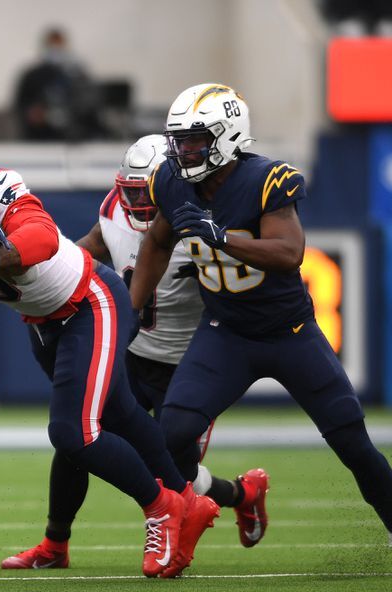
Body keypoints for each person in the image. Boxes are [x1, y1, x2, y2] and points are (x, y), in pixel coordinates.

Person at [129, 83, 392, 547]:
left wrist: (222, 236)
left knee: (351, 441)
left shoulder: (266, 179)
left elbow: (290, 252)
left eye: (194, 140)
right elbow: (156, 242)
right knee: (172, 434)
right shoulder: (170, 182)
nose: (182, 151)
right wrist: (133, 309)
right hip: (225, 333)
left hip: (290, 334)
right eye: (178, 140)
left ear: (227, 137)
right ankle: (202, 512)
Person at [0, 135, 269, 571]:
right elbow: (89, 246)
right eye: (132, 192)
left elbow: (238, 291)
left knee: (174, 462)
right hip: (130, 349)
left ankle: (241, 495)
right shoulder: (114, 210)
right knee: (76, 435)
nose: (140, 204)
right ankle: (55, 543)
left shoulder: (201, 223)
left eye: (150, 193)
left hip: (188, 365)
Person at [13, 27, 104, 141]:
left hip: (75, 137)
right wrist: (33, 113)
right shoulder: (32, 76)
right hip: (40, 137)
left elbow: (90, 103)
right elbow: (20, 105)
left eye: (58, 44)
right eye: (52, 45)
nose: (56, 50)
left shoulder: (77, 74)